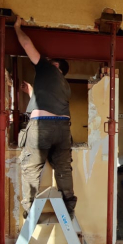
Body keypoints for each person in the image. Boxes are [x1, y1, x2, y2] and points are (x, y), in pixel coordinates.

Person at [14, 17, 77, 219]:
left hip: (43, 127)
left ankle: (30, 209)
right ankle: (69, 207)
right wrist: (32, 92)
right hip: (63, 128)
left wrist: (17, 27)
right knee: (64, 170)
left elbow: (26, 44)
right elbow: (48, 104)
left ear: (55, 64)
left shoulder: (47, 68)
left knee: (31, 168)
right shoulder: (64, 85)